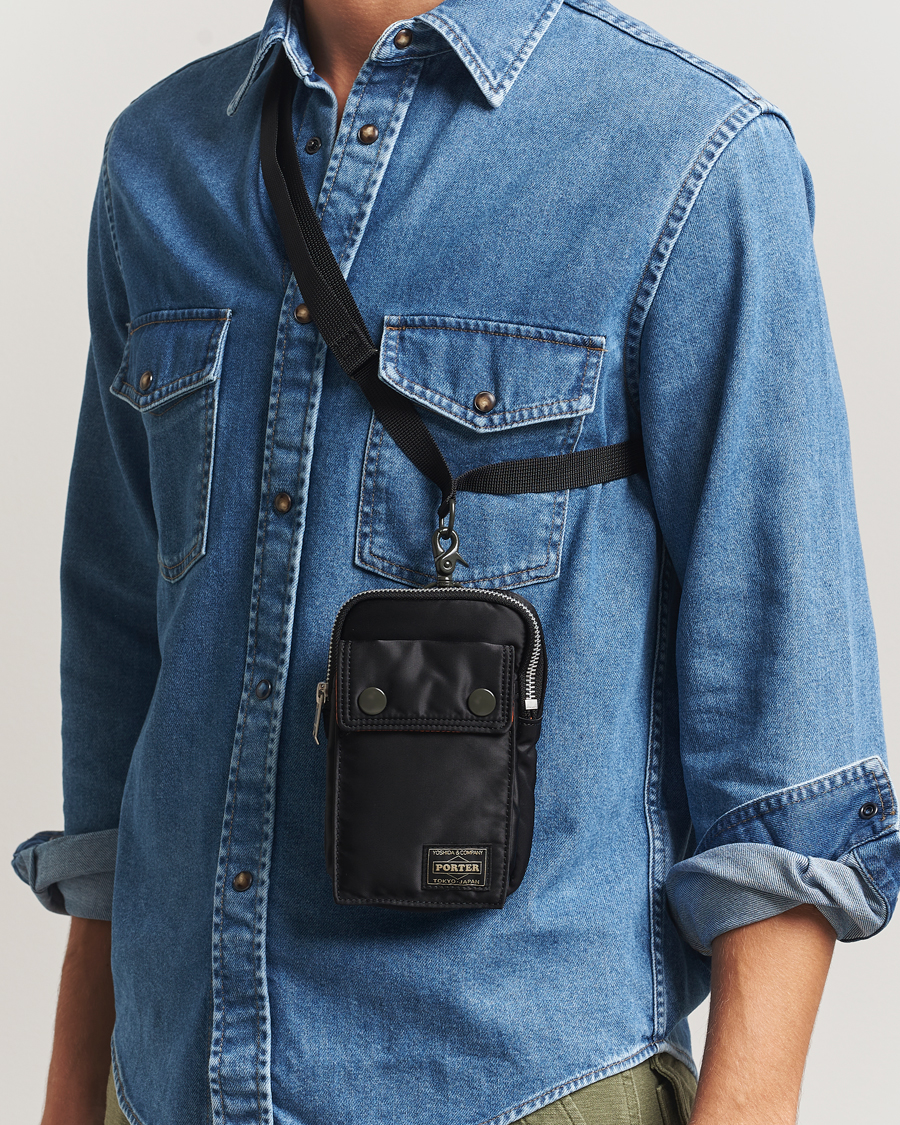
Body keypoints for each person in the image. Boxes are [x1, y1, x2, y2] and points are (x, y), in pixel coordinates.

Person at [13, 1, 900, 1123]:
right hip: (167, 1085)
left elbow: (790, 751)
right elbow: (117, 684)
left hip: (522, 1088)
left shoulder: (688, 157)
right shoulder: (158, 161)